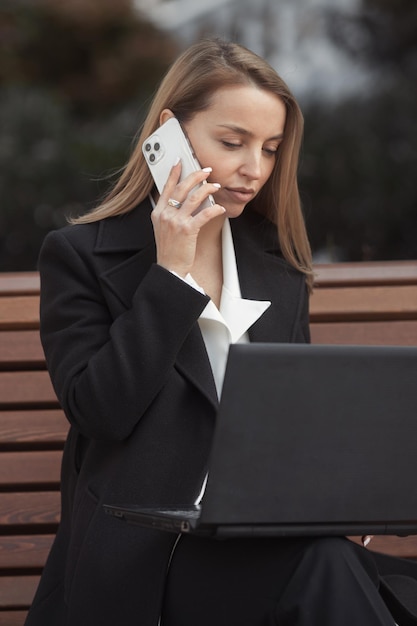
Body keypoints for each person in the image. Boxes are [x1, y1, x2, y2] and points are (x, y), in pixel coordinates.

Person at [25, 38, 417, 626]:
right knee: (326, 571)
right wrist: (170, 274)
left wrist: (334, 500)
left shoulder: (276, 269)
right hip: (146, 561)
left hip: (266, 547)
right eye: (232, 142)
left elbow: (293, 427)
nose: (254, 169)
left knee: (333, 563)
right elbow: (101, 410)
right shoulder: (82, 257)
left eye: (271, 148)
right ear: (169, 134)